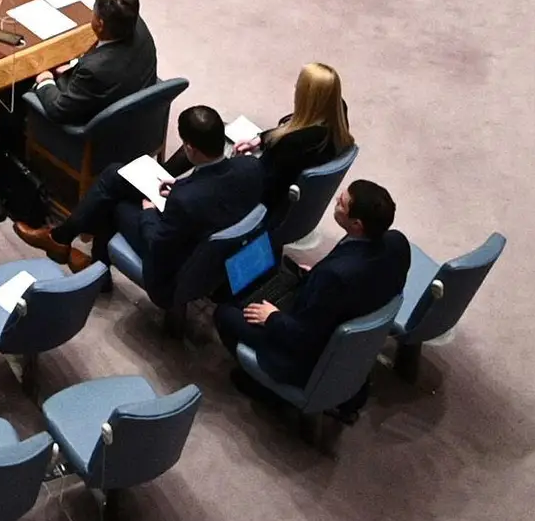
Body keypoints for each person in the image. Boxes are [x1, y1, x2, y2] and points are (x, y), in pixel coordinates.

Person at [0, 0, 158, 226]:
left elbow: (58, 109)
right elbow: (103, 59)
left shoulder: (95, 71)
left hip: (95, 134)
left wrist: (45, 81)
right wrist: (76, 66)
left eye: (94, 11)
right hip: (142, 114)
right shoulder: (136, 25)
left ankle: (1, 155)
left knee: (12, 99)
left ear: (100, 24)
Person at [57, 105, 269, 308]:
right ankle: (64, 239)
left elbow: (156, 244)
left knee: (115, 201)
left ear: (190, 148)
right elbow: (217, 191)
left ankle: (91, 267)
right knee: (116, 179)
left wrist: (149, 212)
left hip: (174, 273)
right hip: (223, 252)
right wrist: (181, 186)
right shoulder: (251, 166)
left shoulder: (185, 200)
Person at [217, 177, 416, 385]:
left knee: (226, 313)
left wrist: (272, 317)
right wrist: (317, 279)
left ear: (357, 224)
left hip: (307, 356)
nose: (338, 198)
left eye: (343, 202)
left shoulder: (335, 276)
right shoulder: (397, 242)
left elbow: (305, 337)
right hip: (342, 318)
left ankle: (261, 386)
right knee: (276, 272)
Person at [255, 62, 354, 202]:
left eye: (299, 86)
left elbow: (265, 185)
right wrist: (262, 138)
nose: (295, 88)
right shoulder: (337, 114)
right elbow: (295, 124)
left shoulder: (293, 143)